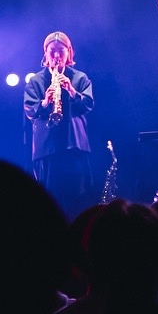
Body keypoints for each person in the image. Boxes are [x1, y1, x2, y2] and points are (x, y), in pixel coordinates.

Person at [23, 31, 95, 218]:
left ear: (69, 52)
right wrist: (45, 102)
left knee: (79, 200)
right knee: (48, 200)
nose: (56, 56)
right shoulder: (35, 81)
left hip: (75, 146)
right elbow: (30, 110)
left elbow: (88, 105)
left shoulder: (80, 78)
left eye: (61, 51)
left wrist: (71, 90)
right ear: (45, 54)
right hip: (47, 149)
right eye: (52, 51)